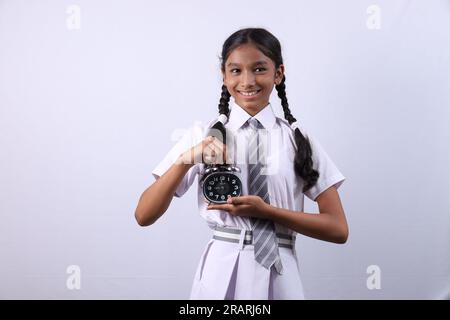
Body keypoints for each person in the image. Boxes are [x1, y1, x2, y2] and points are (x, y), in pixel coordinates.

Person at [134, 28, 349, 300]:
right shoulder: (205, 136)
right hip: (221, 272)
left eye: (259, 69)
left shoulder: (298, 140)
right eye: (235, 71)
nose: (247, 81)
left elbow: (338, 228)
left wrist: (268, 212)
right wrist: (185, 160)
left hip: (281, 274)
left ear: (278, 73)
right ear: (224, 76)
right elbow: (143, 215)